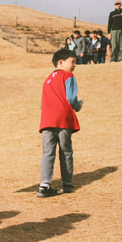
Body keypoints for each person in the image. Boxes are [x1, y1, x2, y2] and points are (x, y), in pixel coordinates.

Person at [37, 48, 82, 198]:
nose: (75, 65)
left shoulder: (47, 79)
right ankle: (67, 184)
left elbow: (42, 103)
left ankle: (44, 185)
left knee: (48, 152)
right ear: (61, 62)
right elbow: (71, 98)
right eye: (73, 62)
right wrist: (78, 106)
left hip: (47, 120)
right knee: (66, 151)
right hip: (63, 119)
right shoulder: (68, 75)